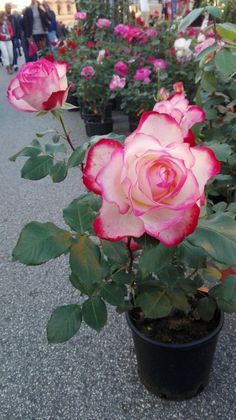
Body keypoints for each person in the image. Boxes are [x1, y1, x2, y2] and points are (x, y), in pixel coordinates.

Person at [5, 3, 20, 71]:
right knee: (8, 53)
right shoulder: (3, 17)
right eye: (8, 8)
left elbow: (17, 26)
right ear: (5, 8)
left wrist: (17, 35)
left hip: (14, 37)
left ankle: (15, 64)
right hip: (6, 38)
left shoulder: (13, 16)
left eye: (10, 8)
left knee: (14, 51)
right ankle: (9, 64)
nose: (9, 9)